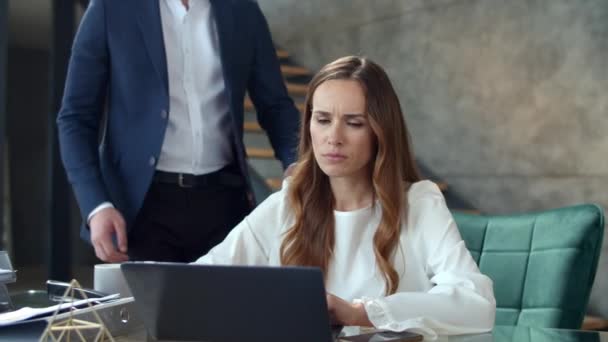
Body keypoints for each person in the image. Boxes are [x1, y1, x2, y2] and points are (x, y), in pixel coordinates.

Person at [194, 56, 496, 336]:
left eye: (354, 123)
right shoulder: (287, 204)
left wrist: (360, 313)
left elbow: (476, 303)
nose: (333, 137)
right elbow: (199, 282)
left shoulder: (419, 203)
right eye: (323, 120)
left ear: (381, 132)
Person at [57, 0, 300, 262]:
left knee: (227, 303)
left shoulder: (243, 10)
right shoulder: (112, 7)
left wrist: (296, 161)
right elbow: (76, 118)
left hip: (225, 204)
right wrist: (96, 205)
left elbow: (275, 105)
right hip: (143, 211)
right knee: (155, 305)